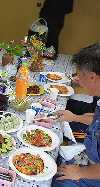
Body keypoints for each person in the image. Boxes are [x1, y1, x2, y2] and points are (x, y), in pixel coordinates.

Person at [52, 43, 100, 186]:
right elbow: (96, 119)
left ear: (92, 77)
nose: (78, 81)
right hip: (91, 156)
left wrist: (79, 172)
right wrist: (73, 117)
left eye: (79, 76)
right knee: (55, 161)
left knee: (54, 180)